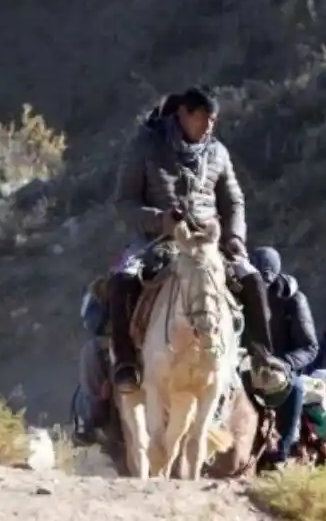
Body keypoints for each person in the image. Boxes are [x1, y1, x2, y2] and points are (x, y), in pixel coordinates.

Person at [73, 87, 272, 445]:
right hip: (156, 240)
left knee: (254, 280)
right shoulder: (144, 146)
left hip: (210, 242)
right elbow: (124, 203)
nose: (210, 126)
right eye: (204, 119)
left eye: (214, 120)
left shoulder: (217, 152)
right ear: (183, 114)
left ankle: (262, 362)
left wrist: (236, 238)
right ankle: (126, 366)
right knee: (122, 280)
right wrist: (161, 220)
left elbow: (234, 202)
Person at [248, 246, 319, 466]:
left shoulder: (294, 301)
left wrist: (285, 363)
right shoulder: (244, 295)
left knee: (294, 387)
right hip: (248, 363)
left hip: (283, 368)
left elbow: (310, 346)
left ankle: (282, 452)